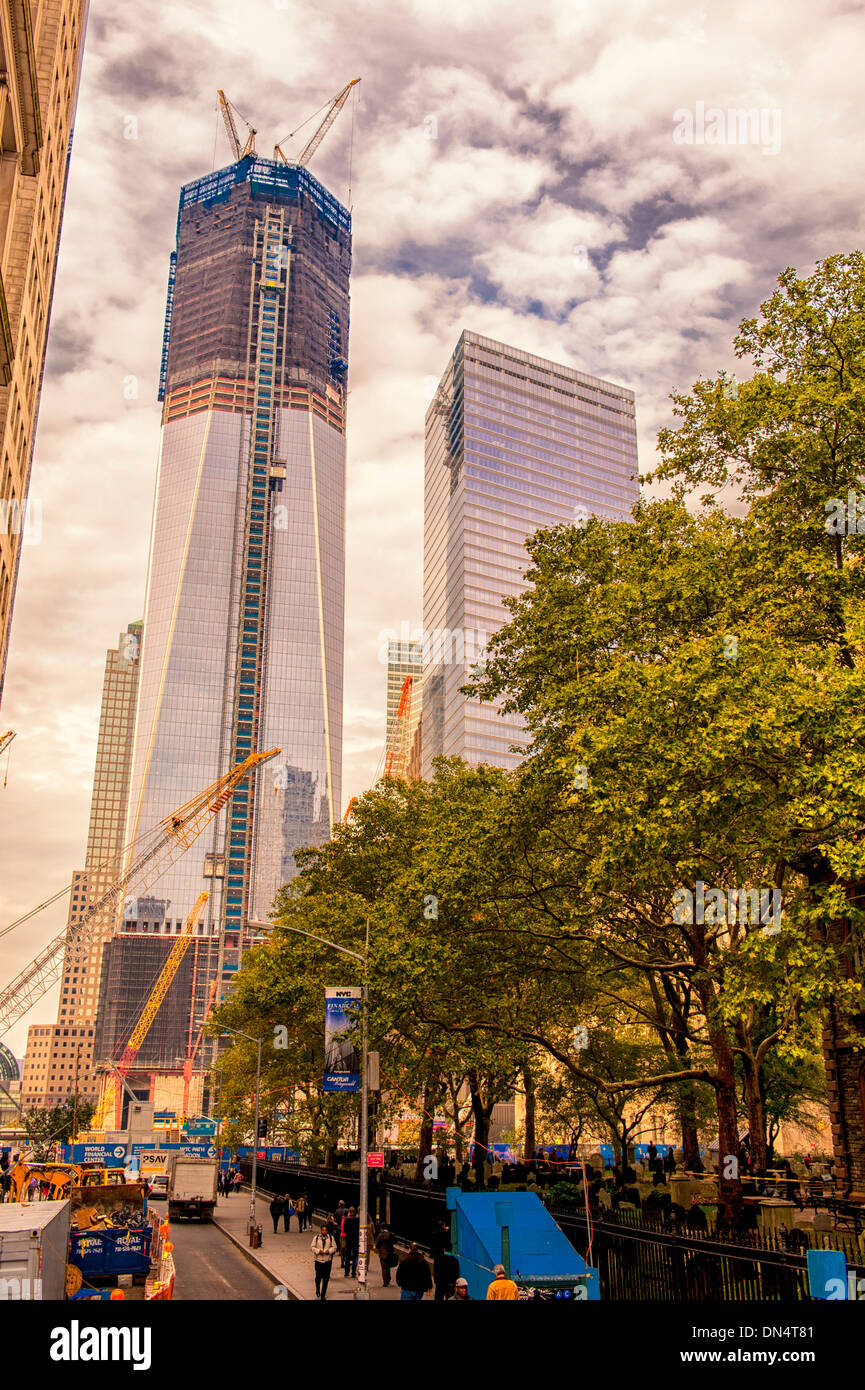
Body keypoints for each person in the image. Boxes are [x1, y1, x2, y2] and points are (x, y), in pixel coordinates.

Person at [311, 1224, 338, 1300]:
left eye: (325, 1230)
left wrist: (329, 1251)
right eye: (323, 1230)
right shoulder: (316, 1238)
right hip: (318, 1261)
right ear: (321, 1230)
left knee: (326, 1278)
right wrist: (318, 1251)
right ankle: (317, 1289)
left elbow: (334, 1247)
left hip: (327, 1261)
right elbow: (312, 1247)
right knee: (318, 1277)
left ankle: (323, 1294)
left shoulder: (331, 1238)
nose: (324, 1231)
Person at [342, 1206, 360, 1277]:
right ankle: (353, 1272)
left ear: (349, 1212)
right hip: (356, 1239)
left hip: (349, 1239)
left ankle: (347, 1272)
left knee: (348, 1256)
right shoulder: (358, 1219)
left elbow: (344, 1229)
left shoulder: (347, 1219)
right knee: (355, 1256)